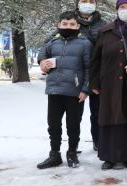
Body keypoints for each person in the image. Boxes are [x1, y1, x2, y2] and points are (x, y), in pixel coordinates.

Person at [89, 0, 127, 170]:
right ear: (117, 9)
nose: (126, 9)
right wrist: (94, 83)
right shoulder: (105, 31)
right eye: (123, 6)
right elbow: (95, 59)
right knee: (110, 118)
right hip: (108, 83)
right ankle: (110, 156)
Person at [36, 11, 92, 169]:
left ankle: (72, 153)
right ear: (58, 25)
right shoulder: (53, 42)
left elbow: (89, 69)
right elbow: (42, 54)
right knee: (53, 124)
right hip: (54, 90)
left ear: (78, 26)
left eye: (72, 24)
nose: (68, 27)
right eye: (64, 24)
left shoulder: (85, 43)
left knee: (73, 125)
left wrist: (86, 89)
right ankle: (54, 154)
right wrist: (42, 62)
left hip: (75, 93)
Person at [74, 0, 107, 152]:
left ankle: (99, 141)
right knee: (75, 113)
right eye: (84, 1)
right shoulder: (70, 21)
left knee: (98, 111)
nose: (88, 4)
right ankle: (73, 145)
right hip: (75, 74)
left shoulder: (103, 25)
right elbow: (50, 41)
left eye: (91, 1)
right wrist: (43, 59)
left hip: (98, 74)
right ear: (78, 3)